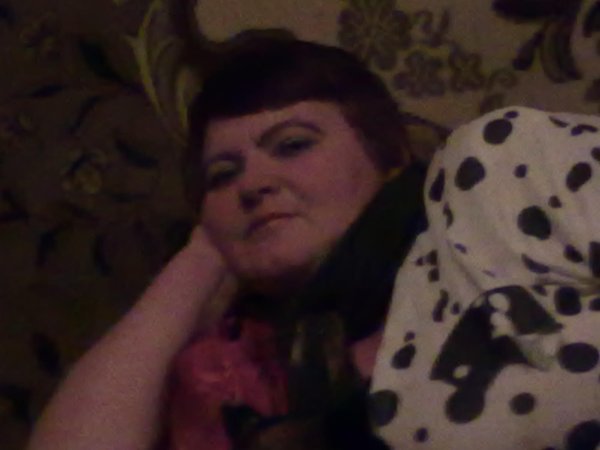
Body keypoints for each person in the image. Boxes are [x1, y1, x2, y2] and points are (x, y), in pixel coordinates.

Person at [26, 36, 600, 450]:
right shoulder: (241, 379)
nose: (252, 183)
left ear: (389, 156)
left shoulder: (496, 173)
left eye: (293, 145)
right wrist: (203, 256)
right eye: (222, 175)